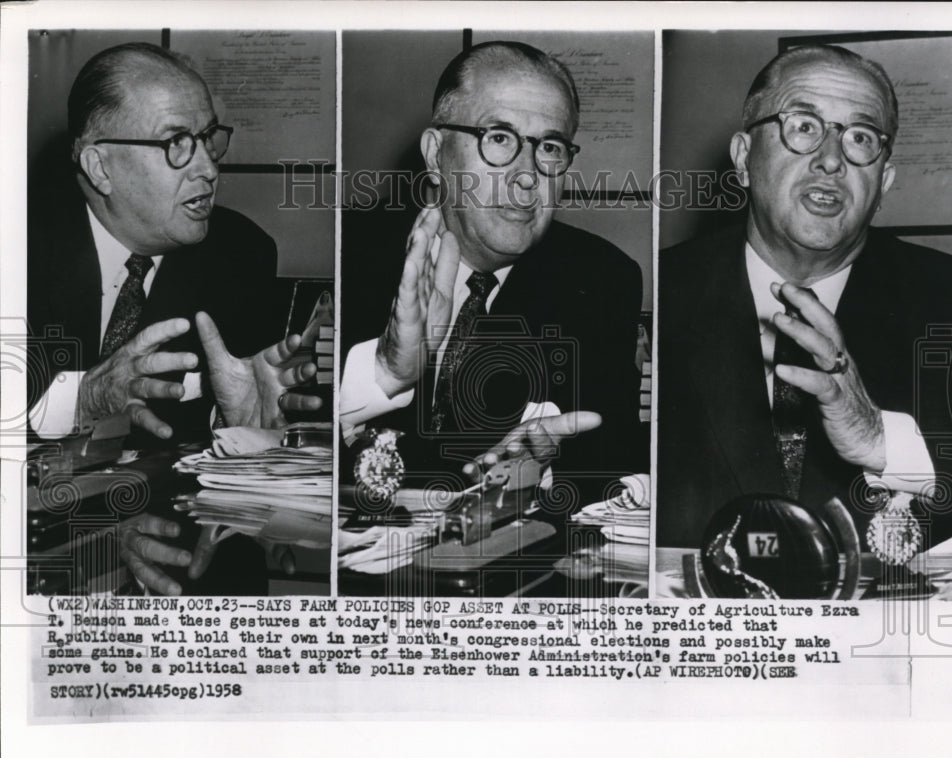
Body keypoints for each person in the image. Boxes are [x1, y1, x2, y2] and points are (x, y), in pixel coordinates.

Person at [26, 42, 321, 594]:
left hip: (178, 563)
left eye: (209, 139)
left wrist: (242, 436)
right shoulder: (16, 248)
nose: (209, 168)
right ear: (99, 165)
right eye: (176, 144)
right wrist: (84, 400)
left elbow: (231, 469)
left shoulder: (241, 254)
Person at [657, 44, 952, 553]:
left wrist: (884, 441)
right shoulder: (656, 288)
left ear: (884, 181)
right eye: (803, 126)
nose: (830, 161)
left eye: (860, 138)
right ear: (743, 158)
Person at [340, 41, 644, 503]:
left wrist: (543, 471)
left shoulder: (601, 280)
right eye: (499, 138)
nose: (527, 176)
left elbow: (612, 464)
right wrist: (380, 375)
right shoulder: (350, 252)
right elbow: (287, 446)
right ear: (436, 154)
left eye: (550, 147)